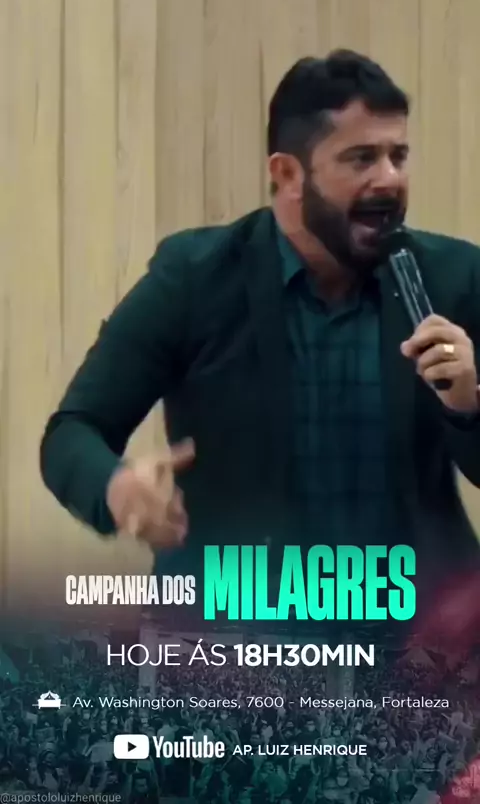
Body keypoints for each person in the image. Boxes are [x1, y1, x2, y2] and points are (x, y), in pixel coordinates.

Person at [40, 49, 480, 602]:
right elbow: (72, 433)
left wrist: (468, 406)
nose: (389, 179)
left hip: (419, 628)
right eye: (362, 158)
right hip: (244, 627)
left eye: (399, 155)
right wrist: (117, 489)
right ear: (287, 174)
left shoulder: (453, 277)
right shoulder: (196, 278)